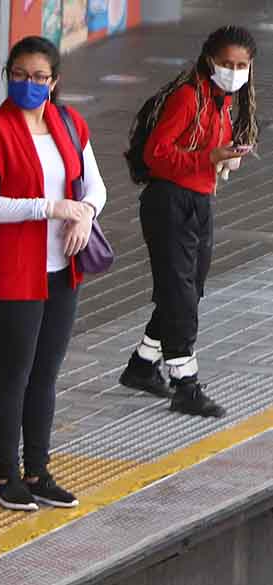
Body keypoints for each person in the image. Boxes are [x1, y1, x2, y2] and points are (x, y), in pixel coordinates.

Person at [0, 36, 107, 513]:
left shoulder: (68, 124)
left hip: (61, 270)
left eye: (39, 77)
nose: (29, 84)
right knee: (14, 372)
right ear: (7, 75)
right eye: (20, 75)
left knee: (45, 373)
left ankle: (38, 470)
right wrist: (49, 207)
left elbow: (96, 187)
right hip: (12, 274)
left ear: (55, 81)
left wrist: (84, 212)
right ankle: (7, 476)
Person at [117, 26, 259, 418]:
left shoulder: (223, 100)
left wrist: (227, 157)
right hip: (169, 202)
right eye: (226, 63)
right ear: (209, 60)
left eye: (241, 65)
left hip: (199, 200)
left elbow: (207, 149)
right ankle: (185, 383)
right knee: (180, 293)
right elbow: (157, 154)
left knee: (187, 289)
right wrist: (209, 158)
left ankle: (142, 366)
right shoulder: (187, 96)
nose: (233, 71)